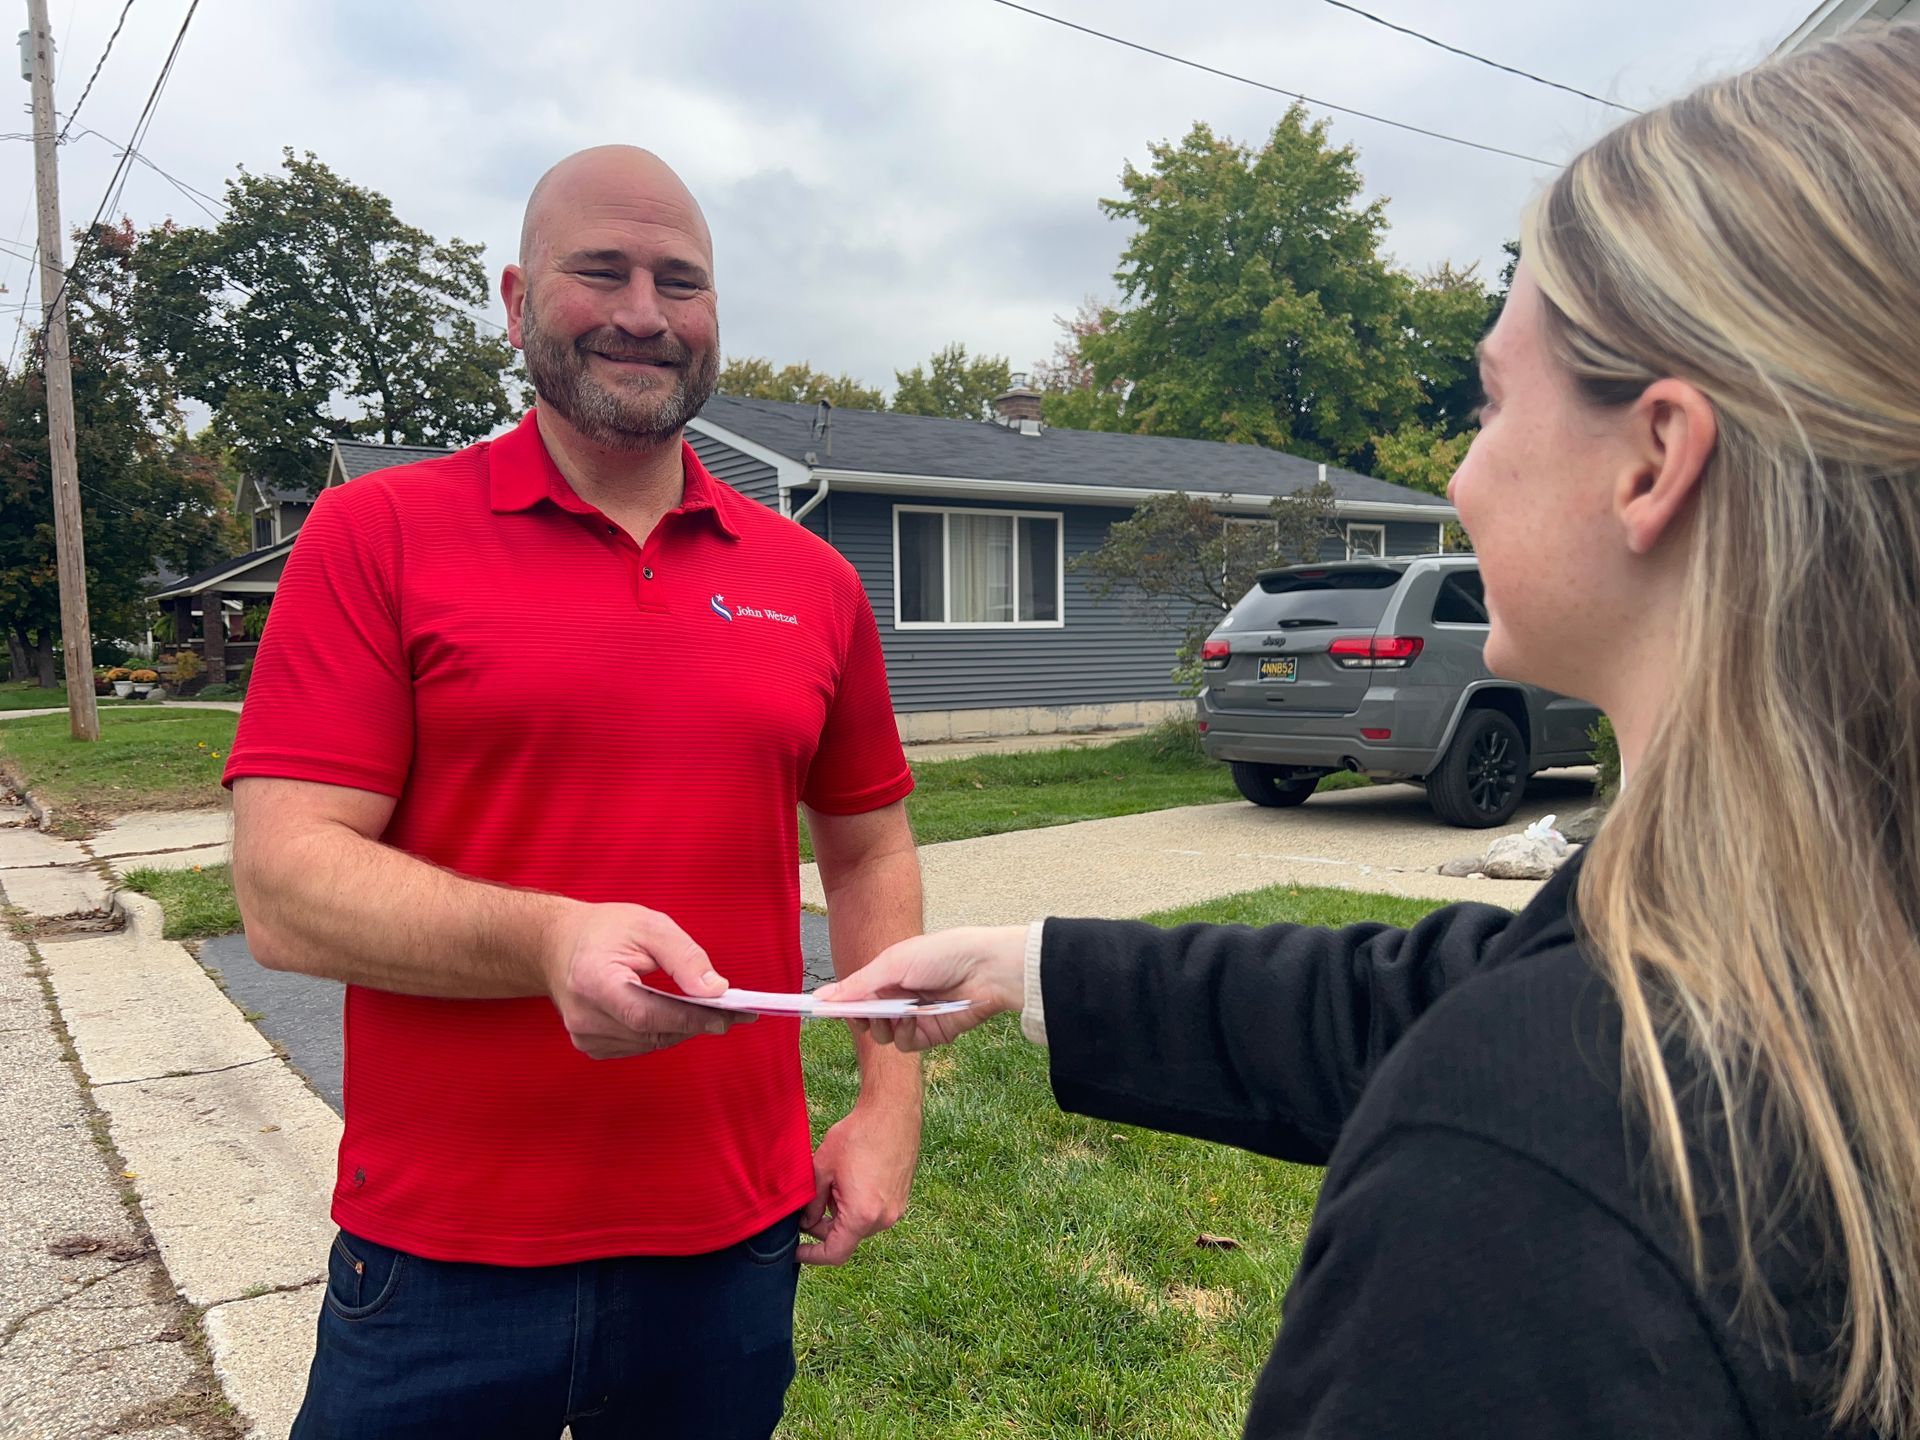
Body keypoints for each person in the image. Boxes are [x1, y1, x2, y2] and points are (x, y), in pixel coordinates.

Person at [822, 25, 1920, 1440]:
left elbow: (1514, 1036)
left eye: (1489, 403)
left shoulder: (1533, 1167)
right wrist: (1033, 966)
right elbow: (1447, 988)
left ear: (1656, 460)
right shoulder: (1815, 933)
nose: (1457, 471)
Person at [226, 146, 925, 1439]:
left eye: (683, 281)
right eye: (600, 270)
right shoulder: (378, 535)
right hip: (439, 1260)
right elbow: (282, 888)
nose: (645, 313)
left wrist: (889, 1108)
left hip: (729, 1246)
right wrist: (547, 938)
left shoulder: (812, 579)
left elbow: (872, 850)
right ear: (513, 298)